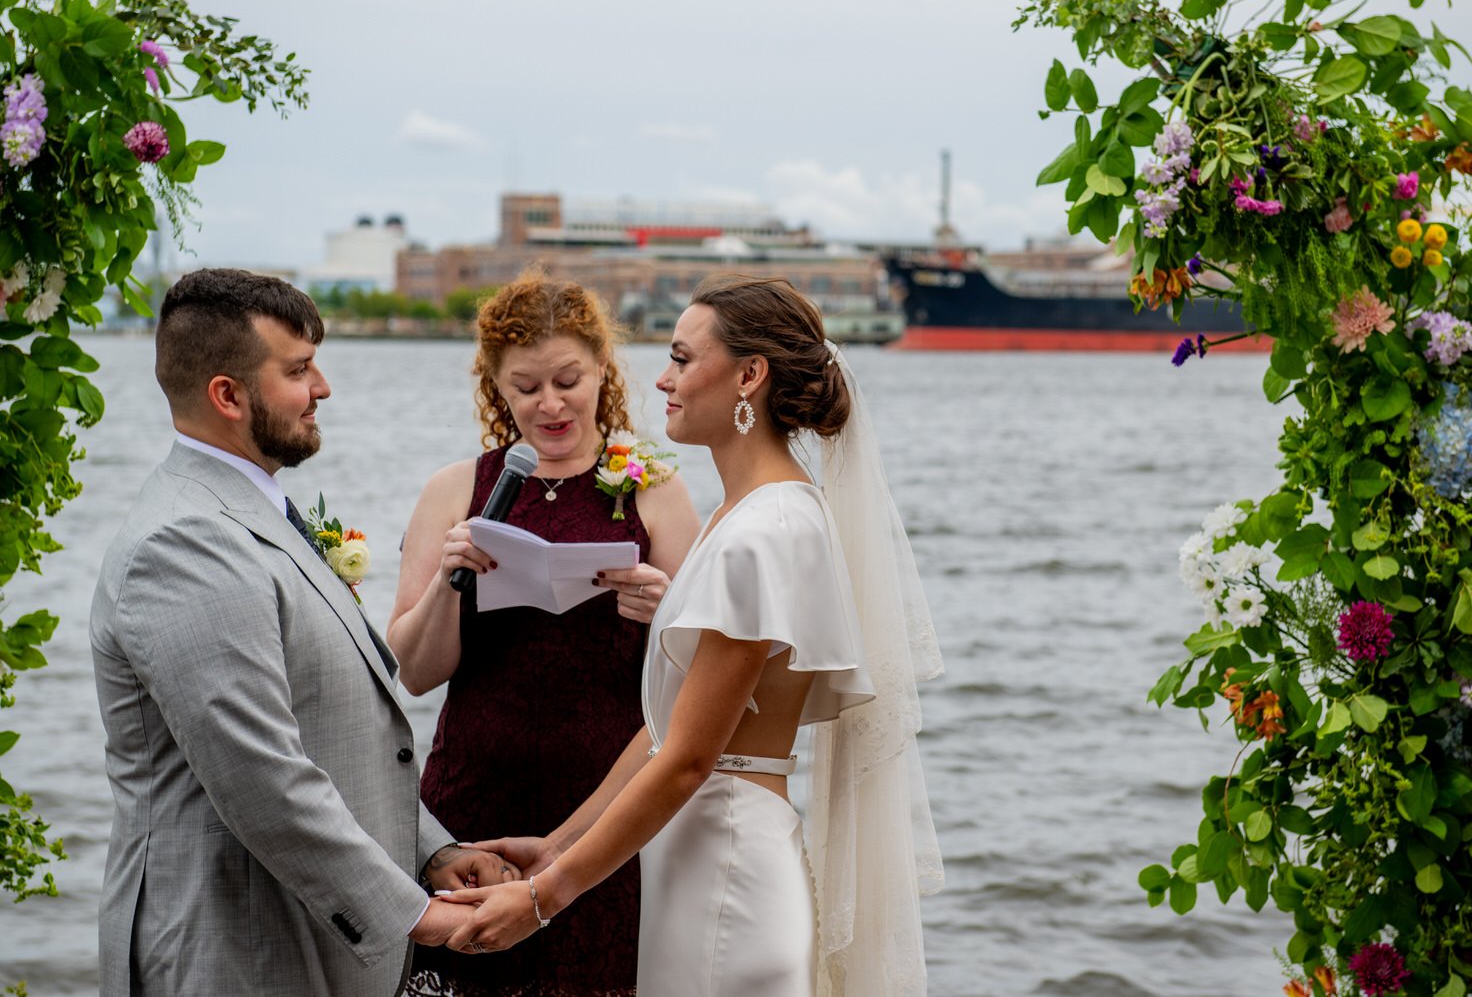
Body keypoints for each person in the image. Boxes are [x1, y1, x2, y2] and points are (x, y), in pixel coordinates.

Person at [439, 275, 945, 996]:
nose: (662, 378)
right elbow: (666, 729)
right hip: (702, 853)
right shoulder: (744, 518)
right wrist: (558, 846)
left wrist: (542, 901)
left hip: (726, 863)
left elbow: (688, 758)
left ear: (749, 375)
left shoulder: (763, 534)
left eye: (681, 358)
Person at [88, 269, 518, 997]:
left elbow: (335, 730)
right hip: (236, 954)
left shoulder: (254, 511)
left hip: (302, 942)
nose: (323, 387)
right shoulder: (185, 543)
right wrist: (421, 917)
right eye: (298, 369)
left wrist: (430, 850)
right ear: (228, 395)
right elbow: (264, 779)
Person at [389, 269, 699, 996]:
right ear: (495, 386)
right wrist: (447, 581)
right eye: (526, 387)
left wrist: (669, 609)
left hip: (606, 811)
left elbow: (700, 678)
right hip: (472, 798)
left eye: (568, 379)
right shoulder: (455, 489)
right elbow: (414, 671)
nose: (551, 403)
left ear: (602, 371)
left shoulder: (654, 488)